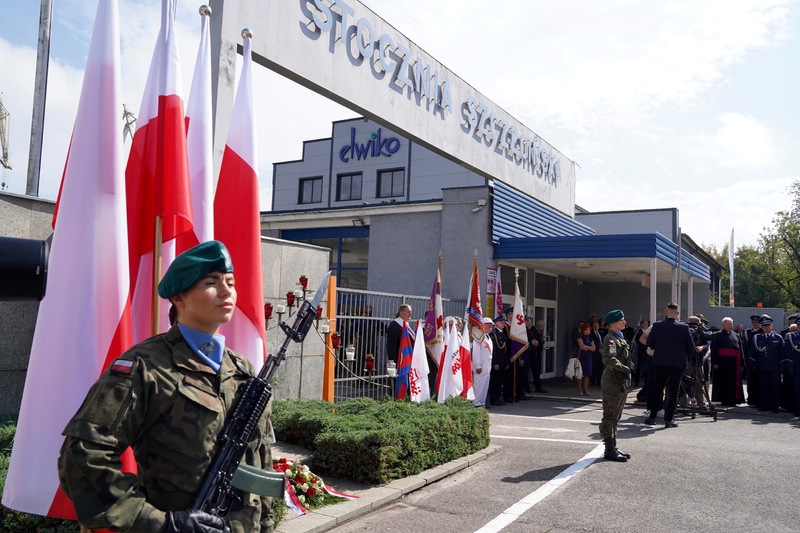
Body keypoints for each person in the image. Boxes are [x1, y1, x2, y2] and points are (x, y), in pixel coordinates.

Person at [58, 240, 274, 532]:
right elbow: (82, 456)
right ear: (179, 298)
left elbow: (259, 458)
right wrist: (160, 523)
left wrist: (267, 524)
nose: (226, 292)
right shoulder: (144, 367)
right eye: (211, 282)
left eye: (231, 282)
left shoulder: (242, 369)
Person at [645, 303, 694, 428]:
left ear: (666, 312)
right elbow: (690, 347)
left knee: (657, 390)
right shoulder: (684, 328)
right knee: (673, 391)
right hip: (677, 363)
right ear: (677, 313)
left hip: (660, 362)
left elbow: (650, 343)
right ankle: (668, 419)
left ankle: (652, 417)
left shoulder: (657, 326)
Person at [599, 309, 631, 462]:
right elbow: (608, 359)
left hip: (620, 381)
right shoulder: (610, 339)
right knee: (610, 415)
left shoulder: (620, 338)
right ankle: (609, 449)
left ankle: (613, 446)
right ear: (612, 323)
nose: (624, 322)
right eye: (621, 320)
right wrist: (625, 368)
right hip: (613, 381)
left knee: (616, 416)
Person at [748, 314, 784, 413]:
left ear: (771, 326)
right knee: (763, 387)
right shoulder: (757, 337)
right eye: (764, 326)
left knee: (775, 387)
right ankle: (764, 405)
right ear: (761, 327)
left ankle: (775, 406)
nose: (766, 327)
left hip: (774, 368)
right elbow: (753, 352)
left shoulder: (778, 337)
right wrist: (753, 365)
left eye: (768, 325)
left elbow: (782, 354)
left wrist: (782, 367)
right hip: (762, 367)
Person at [710, 317, 745, 406]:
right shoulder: (717, 335)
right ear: (723, 325)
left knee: (734, 382)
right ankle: (724, 400)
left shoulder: (736, 335)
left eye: (731, 324)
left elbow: (741, 350)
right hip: (722, 363)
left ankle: (734, 400)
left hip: (734, 363)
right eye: (728, 324)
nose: (730, 326)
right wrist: (715, 362)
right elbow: (714, 349)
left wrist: (742, 363)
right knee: (723, 382)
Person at [471, 317, 495, 407]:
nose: (490, 328)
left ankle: (482, 402)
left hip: (487, 364)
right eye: (489, 326)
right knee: (479, 384)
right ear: (483, 326)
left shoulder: (487, 337)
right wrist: (478, 366)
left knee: (485, 385)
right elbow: (476, 353)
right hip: (481, 365)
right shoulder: (478, 337)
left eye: (491, 326)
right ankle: (476, 402)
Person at [489, 316, 510, 406]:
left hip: (502, 361)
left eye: (503, 322)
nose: (503, 324)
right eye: (501, 322)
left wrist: (506, 362)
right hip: (496, 362)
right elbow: (494, 351)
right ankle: (493, 398)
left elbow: (504, 350)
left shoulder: (503, 334)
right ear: (496, 323)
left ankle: (498, 397)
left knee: (500, 381)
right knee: (495, 381)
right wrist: (495, 362)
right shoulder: (493, 335)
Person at [744, 314, 763, 406]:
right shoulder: (747, 332)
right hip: (749, 359)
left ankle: (758, 400)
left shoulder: (762, 332)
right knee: (750, 380)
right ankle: (751, 398)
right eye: (753, 322)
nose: (755, 324)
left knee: (759, 381)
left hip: (759, 360)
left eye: (756, 322)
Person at [783, 324, 800, 417]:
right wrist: (790, 366)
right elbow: (788, 353)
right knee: (797, 390)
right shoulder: (792, 336)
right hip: (797, 368)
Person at [529, 318, 548, 393]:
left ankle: (538, 386)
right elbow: (534, 341)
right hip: (533, 353)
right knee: (535, 370)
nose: (543, 328)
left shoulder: (538, 331)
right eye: (542, 326)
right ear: (539, 325)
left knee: (537, 370)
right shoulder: (532, 331)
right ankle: (537, 386)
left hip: (537, 354)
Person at [576, 323, 595, 396]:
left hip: (588, 357)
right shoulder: (580, 337)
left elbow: (594, 348)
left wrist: (588, 348)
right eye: (586, 330)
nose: (587, 331)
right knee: (580, 374)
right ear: (583, 330)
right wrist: (589, 347)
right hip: (581, 357)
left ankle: (586, 390)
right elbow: (581, 346)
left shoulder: (590, 338)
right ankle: (580, 390)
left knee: (587, 374)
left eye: (588, 330)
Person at [633, 319, 650, 387]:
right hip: (641, 352)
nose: (646, 325)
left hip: (647, 352)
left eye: (646, 324)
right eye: (644, 324)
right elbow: (640, 342)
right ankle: (637, 382)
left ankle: (646, 382)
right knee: (639, 366)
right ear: (641, 324)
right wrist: (645, 349)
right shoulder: (639, 333)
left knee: (647, 367)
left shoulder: (648, 332)